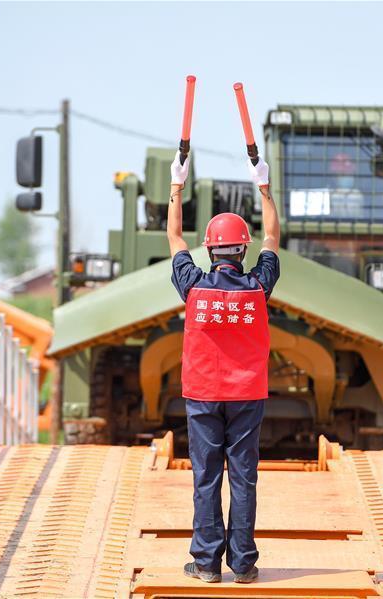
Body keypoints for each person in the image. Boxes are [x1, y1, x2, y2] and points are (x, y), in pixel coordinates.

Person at [166, 150, 280, 584]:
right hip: (247, 395)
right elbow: (273, 236)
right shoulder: (258, 286)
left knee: (206, 476)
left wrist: (176, 187)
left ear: (210, 249)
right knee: (244, 478)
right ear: (243, 248)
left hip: (202, 395)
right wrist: (264, 189)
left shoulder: (193, 286)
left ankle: (207, 563)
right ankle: (244, 563)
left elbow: (175, 238)